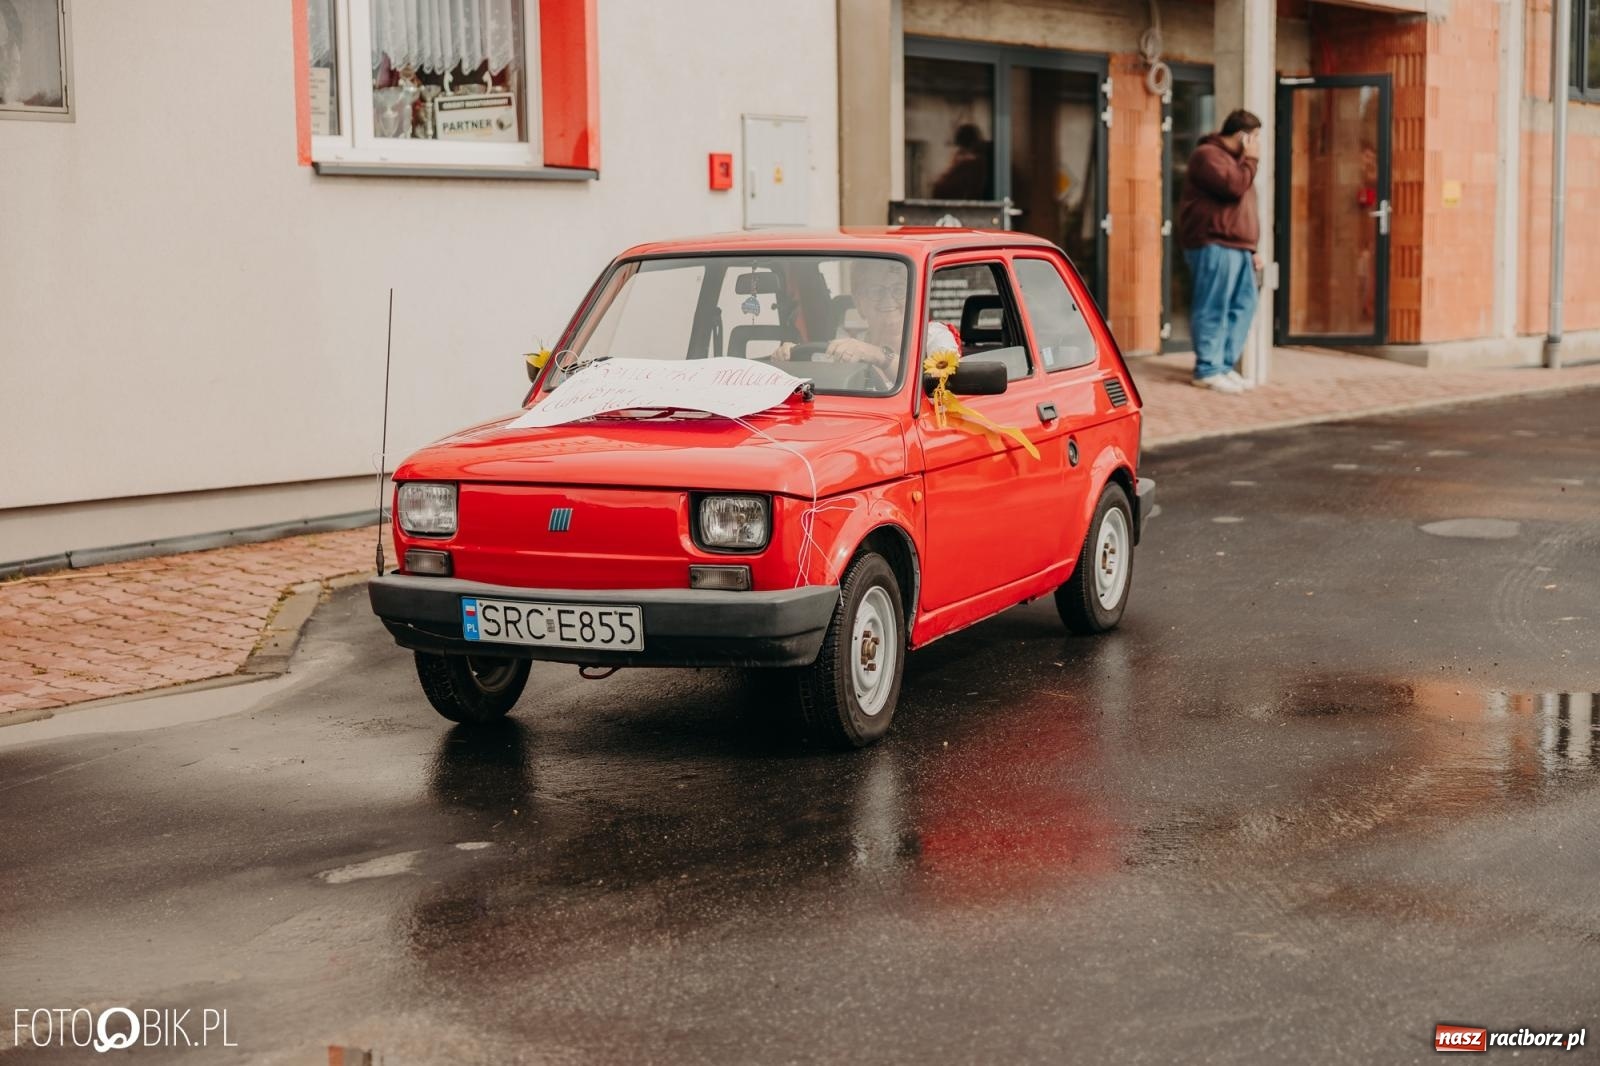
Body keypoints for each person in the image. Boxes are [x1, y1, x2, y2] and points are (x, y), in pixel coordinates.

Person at [1177, 109, 1263, 394]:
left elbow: (1244, 209)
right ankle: (1207, 369)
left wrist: (1253, 248)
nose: (1257, 145)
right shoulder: (1207, 155)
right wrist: (1250, 160)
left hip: (1239, 247)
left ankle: (1224, 365)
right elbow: (1233, 188)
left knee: (1243, 306)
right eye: (1255, 138)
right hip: (1213, 242)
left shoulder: (1239, 164)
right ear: (1242, 136)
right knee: (1213, 306)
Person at [772, 258, 911, 383]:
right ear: (859, 303)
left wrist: (878, 355)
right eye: (876, 291)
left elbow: (924, 386)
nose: (888, 299)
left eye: (899, 289)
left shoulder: (930, 340)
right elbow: (816, 382)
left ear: (913, 295)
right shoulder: (846, 346)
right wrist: (792, 360)